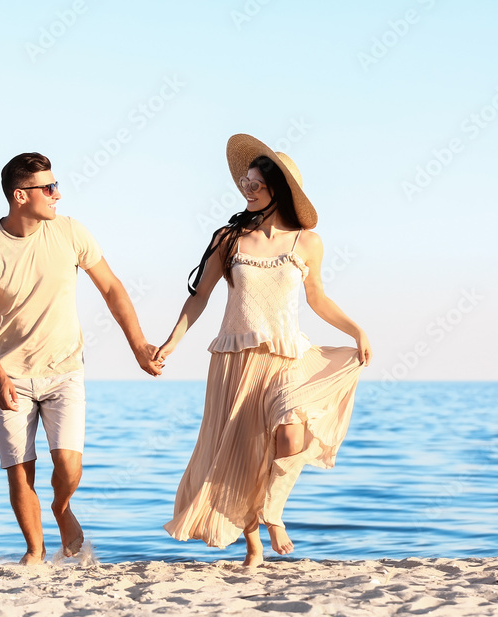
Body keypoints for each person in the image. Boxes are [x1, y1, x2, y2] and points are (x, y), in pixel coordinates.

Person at [159, 134, 372, 567]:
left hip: (288, 356)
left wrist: (357, 331)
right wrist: (170, 342)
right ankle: (253, 544)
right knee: (241, 450)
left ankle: (274, 512)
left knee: (290, 433)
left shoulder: (307, 242)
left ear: (279, 189)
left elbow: (318, 298)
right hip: (235, 360)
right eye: (244, 181)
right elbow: (199, 297)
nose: (246, 188)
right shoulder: (229, 237)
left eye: (255, 182)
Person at [0, 152, 163, 565]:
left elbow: (111, 288)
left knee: (69, 468)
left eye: (56, 185)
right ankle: (34, 552)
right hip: (11, 375)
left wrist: (138, 343)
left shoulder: (71, 232)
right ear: (21, 195)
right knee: (21, 470)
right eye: (48, 187)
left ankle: (61, 508)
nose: (57, 194)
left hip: (65, 372)